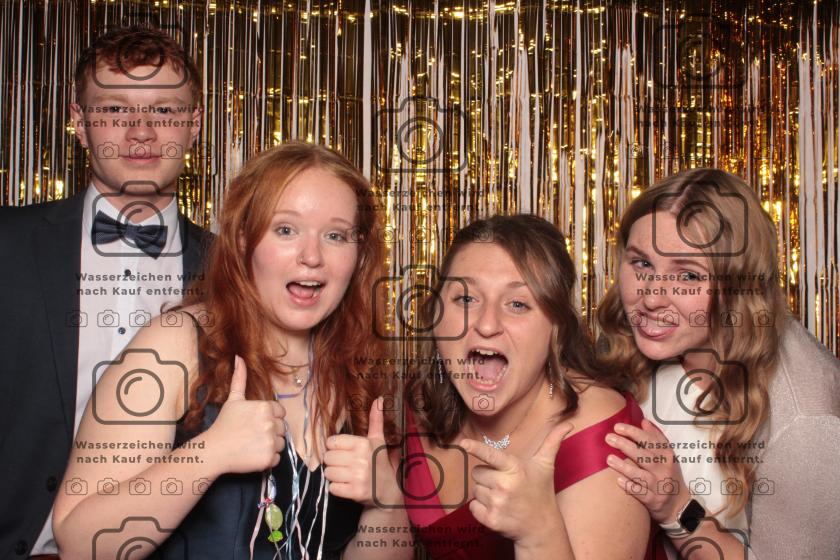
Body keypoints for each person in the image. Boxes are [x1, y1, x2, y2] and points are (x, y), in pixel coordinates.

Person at [52, 141, 413, 560]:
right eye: (286, 230)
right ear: (243, 239)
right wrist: (210, 454)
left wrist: (386, 502)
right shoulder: (176, 344)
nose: (312, 256)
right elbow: (79, 544)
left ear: (359, 252)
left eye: (335, 235)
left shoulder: (360, 369)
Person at [0, 25, 211, 559]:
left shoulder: (238, 272)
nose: (141, 132)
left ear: (194, 125)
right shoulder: (6, 245)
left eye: (164, 111)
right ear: (80, 123)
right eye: (115, 109)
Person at [597, 168, 840, 559]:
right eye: (642, 264)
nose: (651, 298)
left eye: (687, 275)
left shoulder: (807, 419)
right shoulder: (642, 338)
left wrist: (677, 507)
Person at [400, 215, 655, 559]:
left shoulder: (605, 437)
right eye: (466, 299)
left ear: (556, 330)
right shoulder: (420, 402)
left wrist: (539, 532)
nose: (487, 324)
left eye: (518, 304)